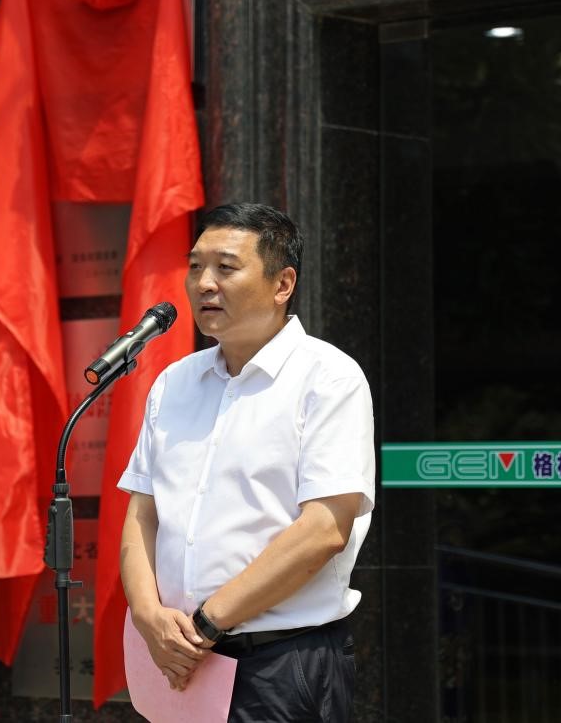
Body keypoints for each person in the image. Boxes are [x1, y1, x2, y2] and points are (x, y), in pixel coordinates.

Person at [118, 202, 376, 722]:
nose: (204, 284)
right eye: (195, 266)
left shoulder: (328, 378)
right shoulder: (174, 383)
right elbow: (143, 514)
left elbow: (324, 529)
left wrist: (206, 625)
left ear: (283, 284)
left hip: (280, 663)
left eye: (226, 268)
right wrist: (148, 617)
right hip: (175, 660)